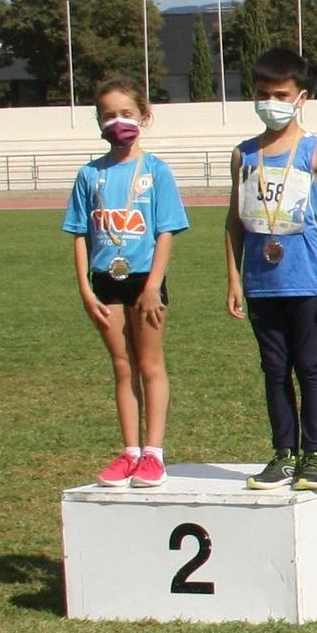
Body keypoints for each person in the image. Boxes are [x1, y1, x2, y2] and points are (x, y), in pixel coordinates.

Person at [225, 49, 317, 490]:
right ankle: (283, 453)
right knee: (273, 370)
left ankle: (315, 453)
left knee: (309, 366)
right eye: (262, 94)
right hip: (261, 282)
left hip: (306, 280)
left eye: (280, 94)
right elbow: (234, 220)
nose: (270, 102)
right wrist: (234, 277)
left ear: (301, 98)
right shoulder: (244, 155)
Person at [63, 78, 190, 488]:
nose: (118, 122)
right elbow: (80, 233)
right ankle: (129, 452)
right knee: (122, 367)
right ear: (98, 122)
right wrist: (85, 288)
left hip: (144, 281)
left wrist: (154, 284)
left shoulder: (155, 171)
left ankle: (153, 453)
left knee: (150, 364)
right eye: (109, 115)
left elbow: (167, 231)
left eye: (126, 114)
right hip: (105, 281)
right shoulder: (90, 174)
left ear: (144, 117)